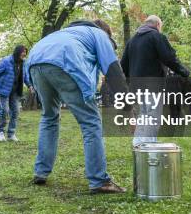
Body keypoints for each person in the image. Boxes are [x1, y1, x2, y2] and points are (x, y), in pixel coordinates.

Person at [26, 19, 128, 194]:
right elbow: (112, 69)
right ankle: (99, 180)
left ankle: (40, 171)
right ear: (107, 34)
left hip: (35, 62)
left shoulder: (66, 34)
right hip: (64, 59)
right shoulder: (99, 34)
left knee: (49, 117)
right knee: (91, 122)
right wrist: (127, 103)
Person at [120, 15, 190, 145]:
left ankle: (138, 144)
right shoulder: (156, 37)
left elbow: (123, 65)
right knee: (152, 116)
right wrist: (184, 71)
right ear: (157, 25)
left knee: (143, 115)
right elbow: (169, 58)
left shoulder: (132, 40)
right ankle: (149, 147)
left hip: (136, 86)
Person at [0, 45, 32, 142]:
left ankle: (11, 134)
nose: (24, 54)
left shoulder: (23, 63)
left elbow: (25, 76)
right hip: (4, 90)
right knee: (5, 110)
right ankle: (0, 132)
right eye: (23, 52)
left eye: (25, 52)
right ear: (17, 52)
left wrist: (29, 86)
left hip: (15, 91)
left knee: (16, 111)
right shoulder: (6, 61)